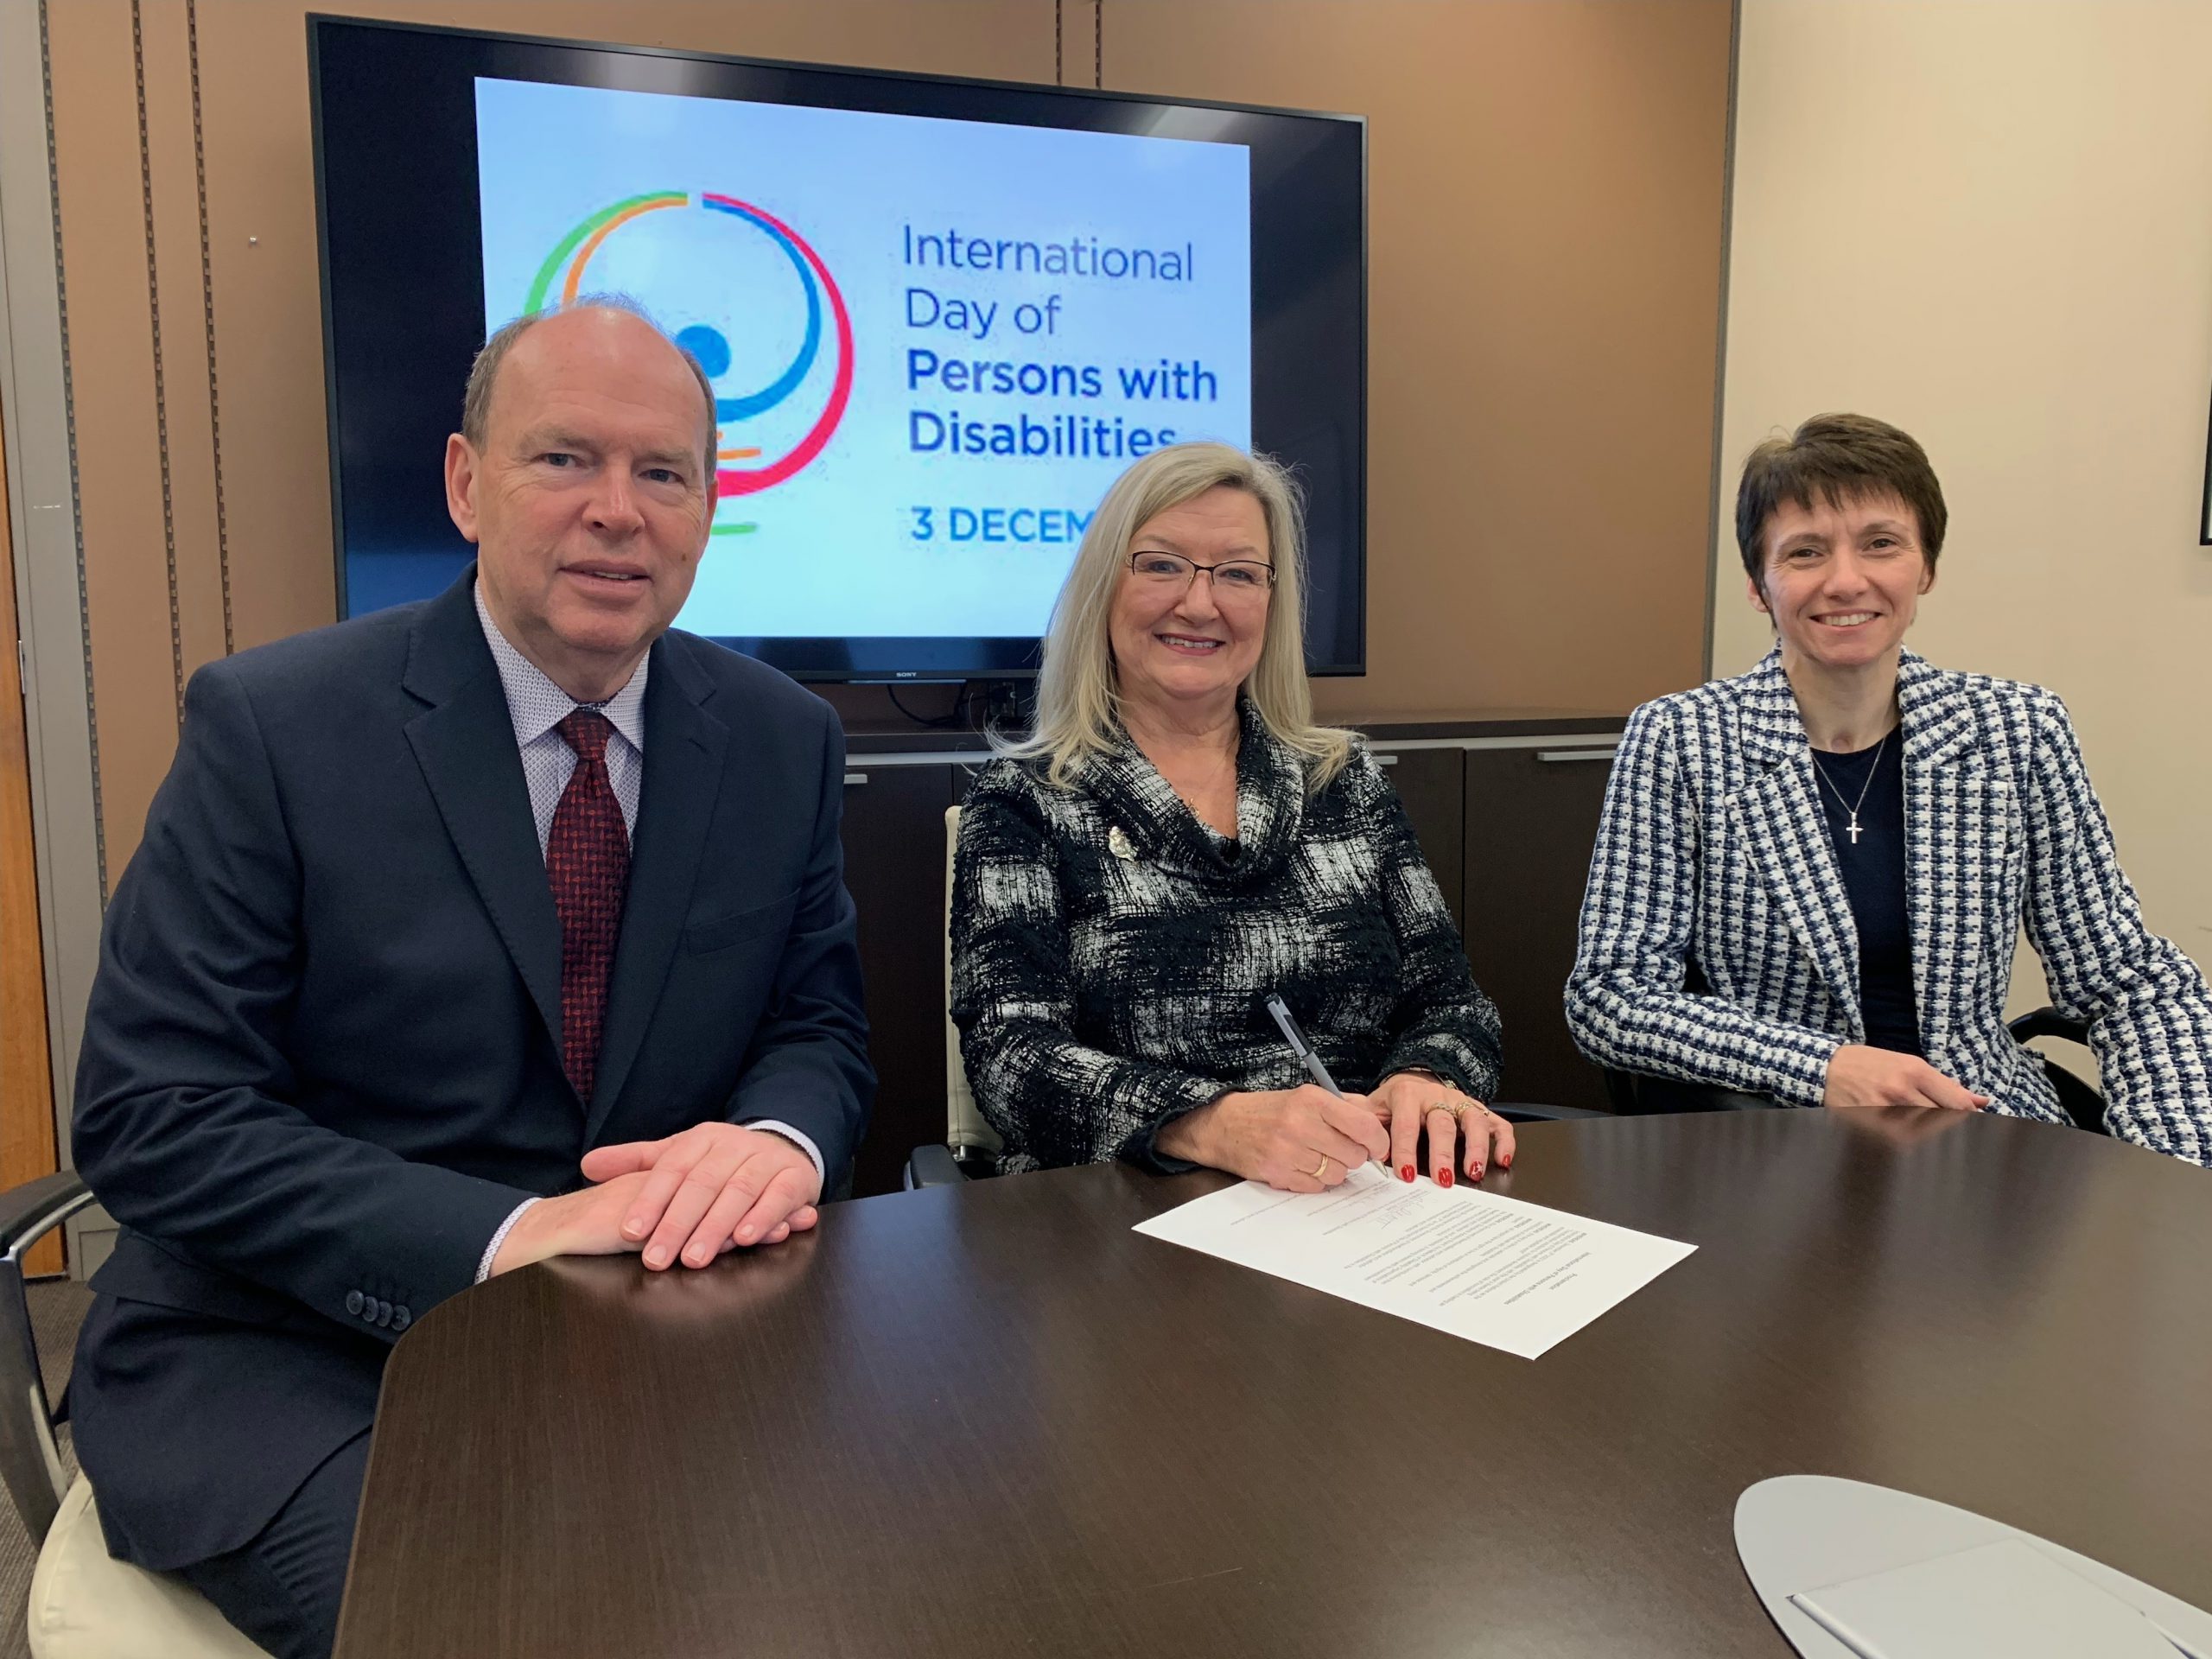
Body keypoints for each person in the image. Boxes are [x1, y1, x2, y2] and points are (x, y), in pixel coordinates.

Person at [66, 299, 874, 1658]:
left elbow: (820, 1025)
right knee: (522, 1629)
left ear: (708, 509)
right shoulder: (272, 726)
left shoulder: (781, 737)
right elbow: (158, 1115)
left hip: (661, 1345)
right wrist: (510, 1238)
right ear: (464, 482)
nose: (618, 511)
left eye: (663, 472)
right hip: (303, 1362)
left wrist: (778, 1139)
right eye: (565, 459)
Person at [1567, 412, 2212, 1165]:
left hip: (1979, 1129)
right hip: (1768, 1134)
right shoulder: (1681, 738)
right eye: (1805, 552)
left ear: (1925, 567)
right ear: (1757, 585)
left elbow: (2129, 981)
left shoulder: (2017, 730)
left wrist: (2176, 1166)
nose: (1846, 580)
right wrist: (1823, 1066)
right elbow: (1612, 996)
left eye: (1881, 543)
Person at [950, 442, 1508, 1192]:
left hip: (1363, 1203)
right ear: (1102, 587)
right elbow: (1012, 1057)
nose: (1200, 603)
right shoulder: (1025, 801)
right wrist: (1212, 1122)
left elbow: (1450, 1002)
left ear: (1272, 604)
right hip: (1125, 1216)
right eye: (1161, 564)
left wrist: (1426, 1076)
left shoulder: (1343, 779)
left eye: (1238, 574)